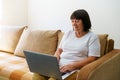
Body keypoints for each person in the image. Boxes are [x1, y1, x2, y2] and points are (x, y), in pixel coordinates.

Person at [32, 9, 100, 80]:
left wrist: (72, 66)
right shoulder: (68, 33)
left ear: (85, 22)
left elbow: (92, 58)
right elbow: (59, 50)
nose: (74, 24)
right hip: (59, 67)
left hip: (73, 70)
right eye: (72, 21)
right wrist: (56, 58)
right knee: (37, 74)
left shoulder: (92, 37)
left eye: (77, 21)